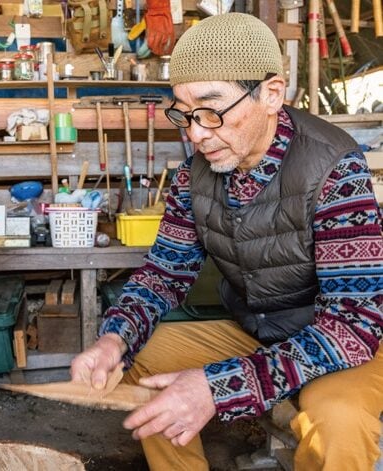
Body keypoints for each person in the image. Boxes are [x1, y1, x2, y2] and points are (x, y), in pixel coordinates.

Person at [71, 12, 383, 471]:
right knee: (143, 364)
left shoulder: (336, 171)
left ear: (272, 93)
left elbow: (354, 324)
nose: (196, 133)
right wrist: (114, 339)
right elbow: (163, 274)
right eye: (184, 113)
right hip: (257, 330)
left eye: (212, 108)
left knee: (338, 419)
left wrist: (218, 386)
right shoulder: (192, 177)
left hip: (344, 345)